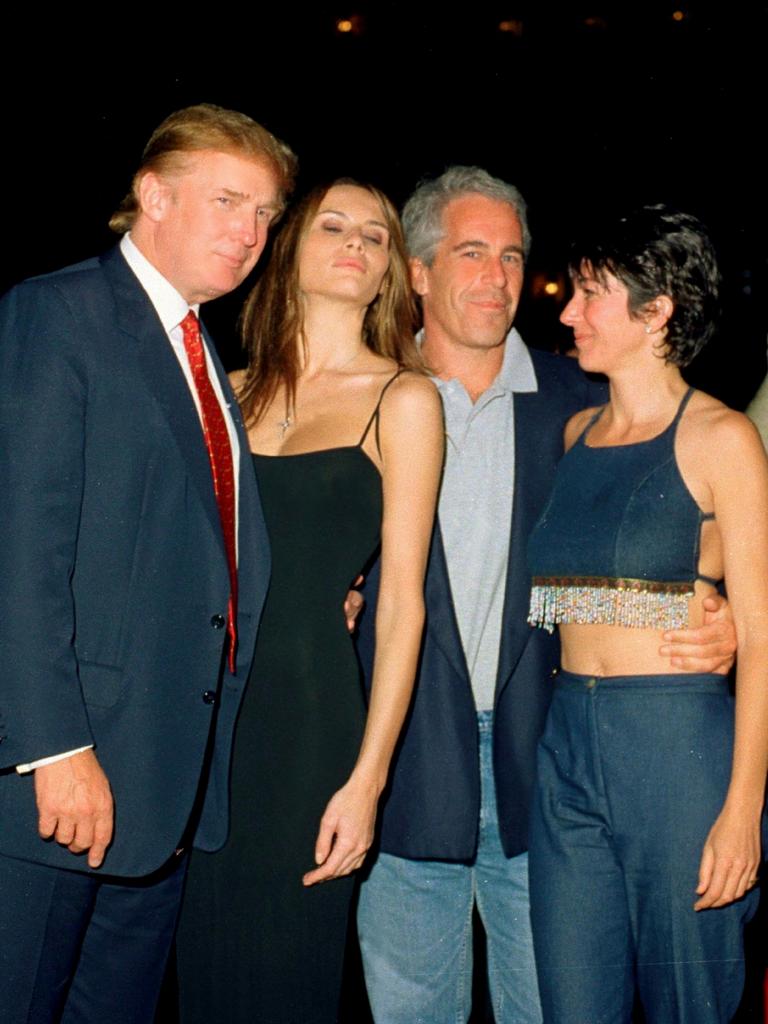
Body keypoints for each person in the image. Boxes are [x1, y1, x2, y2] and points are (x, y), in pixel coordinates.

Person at [355, 169, 738, 1024]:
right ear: (416, 271)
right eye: (471, 253)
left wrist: (730, 612)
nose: (497, 277)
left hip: (554, 777)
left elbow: (688, 514)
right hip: (408, 771)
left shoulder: (586, 404)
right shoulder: (364, 400)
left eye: (513, 256)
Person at [0, 103, 296, 1023]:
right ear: (152, 196)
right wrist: (57, 748)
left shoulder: (206, 349)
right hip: (64, 789)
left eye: (264, 215)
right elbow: (23, 549)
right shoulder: (60, 313)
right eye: (227, 201)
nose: (249, 233)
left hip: (163, 790)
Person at [176, 180, 444, 1024]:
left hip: (309, 724)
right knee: (194, 974)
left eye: (375, 235)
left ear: (388, 275)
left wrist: (367, 782)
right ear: (287, 247)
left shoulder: (404, 398)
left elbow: (402, 602)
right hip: (197, 722)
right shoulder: (222, 388)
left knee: (285, 976)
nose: (356, 243)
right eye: (333, 225)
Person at [527, 204, 768, 1023]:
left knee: (689, 1006)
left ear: (657, 309)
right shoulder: (573, 434)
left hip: (675, 752)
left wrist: (741, 812)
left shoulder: (723, 437)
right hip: (564, 747)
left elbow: (764, 642)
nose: (567, 312)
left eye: (591, 294)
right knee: (574, 1005)